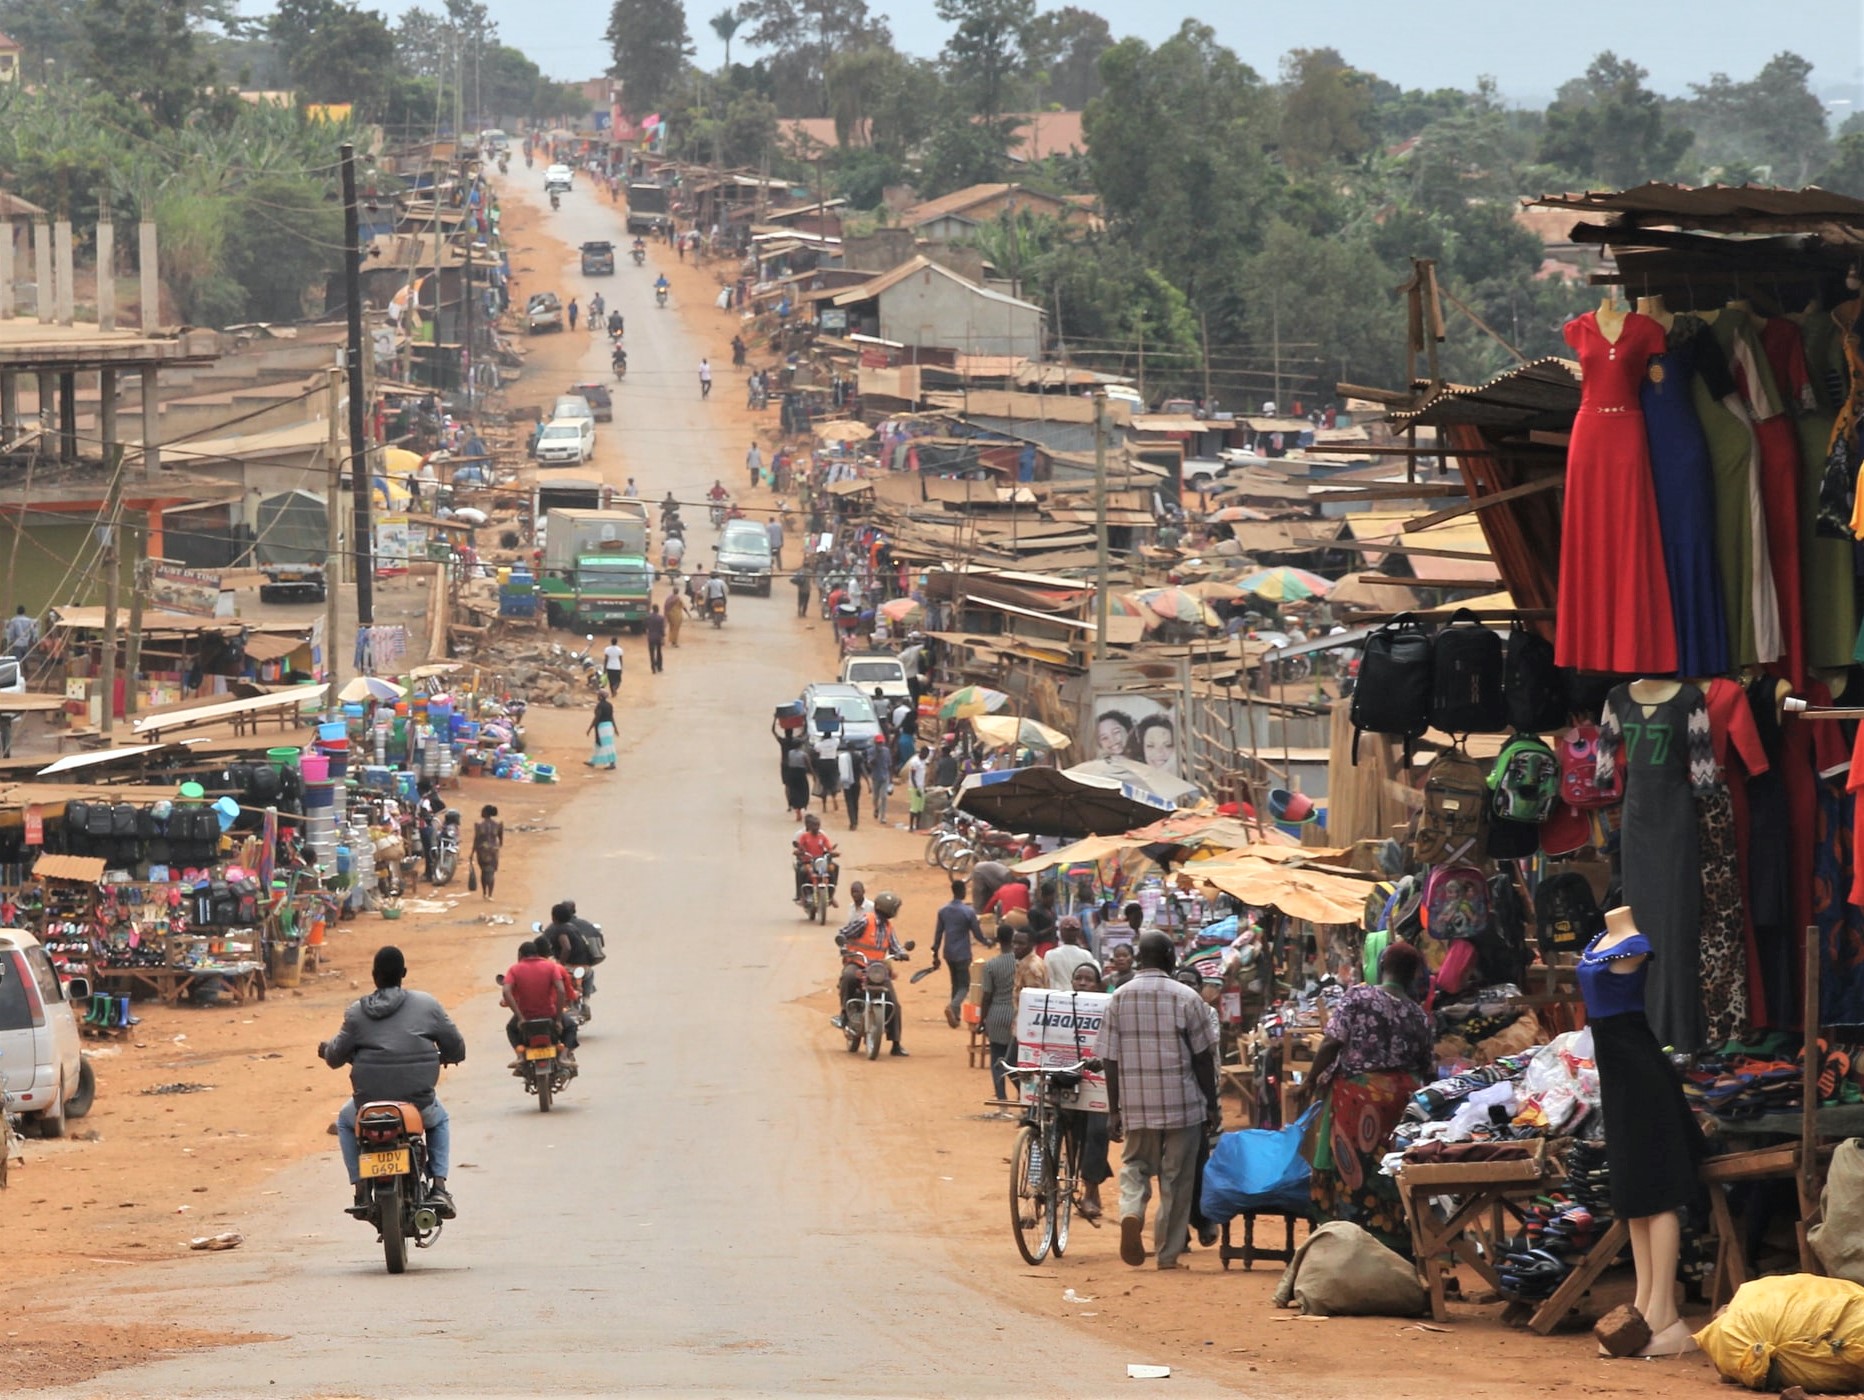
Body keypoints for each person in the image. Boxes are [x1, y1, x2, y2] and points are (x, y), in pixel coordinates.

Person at [1299, 942, 1434, 1255]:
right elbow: (1427, 1070)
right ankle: (1394, 1244)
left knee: (1354, 1173)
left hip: (1358, 1101)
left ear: (1381, 965)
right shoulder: (1418, 1014)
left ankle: (1352, 1244)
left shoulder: (1359, 996)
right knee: (1389, 1171)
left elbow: (1332, 1042)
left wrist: (1310, 1081)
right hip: (1403, 1102)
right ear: (1413, 975)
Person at [1099, 931, 1221, 1271]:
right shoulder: (1187, 998)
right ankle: (1167, 1255)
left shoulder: (1118, 997)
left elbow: (1109, 1058)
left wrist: (1113, 1110)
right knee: (1176, 1179)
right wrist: (1210, 1104)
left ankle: (1132, 1213)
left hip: (1136, 1105)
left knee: (1135, 1167)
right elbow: (1202, 1057)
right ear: (1169, 956)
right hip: (1182, 1106)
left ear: (1140, 957)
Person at [320, 946, 465, 1219]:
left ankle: (360, 1185)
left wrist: (325, 1050)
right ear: (404, 974)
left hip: (368, 1107)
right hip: (418, 1103)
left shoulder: (355, 1013)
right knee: (440, 1119)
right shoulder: (427, 1005)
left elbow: (335, 1056)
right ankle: (439, 1187)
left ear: (374, 976)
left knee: (344, 1120)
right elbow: (457, 1047)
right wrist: (446, 1056)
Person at [1065, 961, 1114, 1220]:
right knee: (1073, 1132)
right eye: (1078, 978)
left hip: (1101, 1081)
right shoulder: (1061, 1005)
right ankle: (1083, 1184)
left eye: (1088, 979)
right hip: (1068, 1078)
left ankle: (1089, 1189)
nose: (1082, 983)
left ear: (1099, 985)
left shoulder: (1111, 1010)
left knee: (1097, 1132)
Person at [834, 890, 907, 1055]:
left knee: (894, 1003)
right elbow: (844, 933)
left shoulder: (888, 927)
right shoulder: (866, 921)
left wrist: (902, 953)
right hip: (859, 964)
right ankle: (844, 1015)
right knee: (848, 977)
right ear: (888, 909)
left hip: (877, 970)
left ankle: (896, 1044)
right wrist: (844, 946)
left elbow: (895, 946)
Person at [501, 940, 577, 1067]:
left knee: (511, 1028)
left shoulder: (514, 969)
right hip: (549, 1014)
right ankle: (563, 1057)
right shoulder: (551, 967)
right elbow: (561, 990)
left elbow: (506, 991)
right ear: (537, 954)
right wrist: (558, 1019)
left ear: (520, 955)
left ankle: (520, 1057)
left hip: (526, 1016)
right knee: (571, 1027)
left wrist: (520, 1018)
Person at [928, 878, 986, 1029]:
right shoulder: (968, 911)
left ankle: (955, 1017)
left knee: (955, 983)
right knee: (965, 985)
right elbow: (977, 933)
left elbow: (938, 934)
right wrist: (987, 942)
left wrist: (935, 954)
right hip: (963, 953)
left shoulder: (943, 910)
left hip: (948, 953)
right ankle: (953, 1006)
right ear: (962, 892)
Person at [977, 922, 1020, 1106]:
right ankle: (1022, 1090)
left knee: (996, 1056)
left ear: (997, 940)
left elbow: (986, 995)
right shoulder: (1019, 963)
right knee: (1014, 1058)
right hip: (1015, 1013)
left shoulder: (991, 965)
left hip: (996, 1013)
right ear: (1013, 939)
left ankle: (1001, 1097)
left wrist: (982, 1019)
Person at [792, 811, 839, 906]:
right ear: (809, 826)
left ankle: (831, 895)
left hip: (820, 863)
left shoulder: (822, 837)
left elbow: (829, 848)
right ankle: (802, 896)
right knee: (801, 871)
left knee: (834, 868)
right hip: (808, 862)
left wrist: (833, 853)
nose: (816, 827)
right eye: (814, 825)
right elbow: (800, 848)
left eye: (818, 825)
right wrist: (799, 852)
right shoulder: (804, 836)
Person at [1044, 916, 1099, 990]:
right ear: (1079, 933)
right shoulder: (1086, 955)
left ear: (1060, 932)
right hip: (1080, 994)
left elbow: (1049, 980)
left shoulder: (1050, 955)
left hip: (1058, 996)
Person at [777, 723, 813, 821]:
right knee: (804, 790)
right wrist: (813, 774)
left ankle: (793, 807)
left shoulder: (789, 752)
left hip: (791, 772)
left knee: (793, 790)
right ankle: (802, 807)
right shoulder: (803, 754)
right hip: (801, 773)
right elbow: (808, 765)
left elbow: (788, 763)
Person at [415, 779, 447, 883]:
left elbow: (427, 814)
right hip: (429, 827)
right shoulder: (429, 797)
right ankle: (430, 872)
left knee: (429, 851)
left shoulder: (425, 801)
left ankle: (429, 874)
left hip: (426, 828)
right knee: (429, 851)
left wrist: (421, 816)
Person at [470, 803, 502, 900]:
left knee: (484, 872)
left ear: (485, 813)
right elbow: (500, 840)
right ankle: (490, 894)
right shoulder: (498, 825)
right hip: (493, 851)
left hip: (482, 851)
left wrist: (472, 853)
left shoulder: (479, 825)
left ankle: (484, 893)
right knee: (491, 873)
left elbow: (476, 840)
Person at [1011, 919, 1046, 1001]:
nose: (1016, 947)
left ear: (1032, 944)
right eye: (1014, 942)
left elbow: (1033, 1000)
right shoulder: (1026, 962)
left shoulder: (1030, 968)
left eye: (1021, 943)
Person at [838, 738, 864, 830]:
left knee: (849, 803)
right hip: (857, 783)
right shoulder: (858, 757)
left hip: (847, 784)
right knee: (855, 802)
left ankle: (852, 822)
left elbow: (840, 771)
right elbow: (863, 770)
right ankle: (855, 821)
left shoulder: (843, 758)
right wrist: (868, 783)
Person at [587, 693, 617, 770]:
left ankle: (611, 763)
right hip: (609, 726)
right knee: (604, 744)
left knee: (604, 744)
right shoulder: (609, 705)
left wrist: (590, 728)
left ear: (600, 697)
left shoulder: (600, 706)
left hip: (602, 727)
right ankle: (593, 761)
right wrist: (615, 728)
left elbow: (597, 717)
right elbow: (612, 717)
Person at [869, 731, 893, 825]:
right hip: (876, 777)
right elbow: (870, 763)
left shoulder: (886, 751)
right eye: (878, 743)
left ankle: (883, 816)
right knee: (875, 797)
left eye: (881, 743)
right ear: (875, 743)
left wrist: (891, 779)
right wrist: (876, 755)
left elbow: (890, 765)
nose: (880, 744)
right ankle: (876, 808)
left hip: (885, 776)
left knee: (884, 797)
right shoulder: (871, 751)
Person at [903, 746, 928, 831]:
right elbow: (912, 776)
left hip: (921, 787)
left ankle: (917, 825)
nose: (926, 756)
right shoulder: (915, 762)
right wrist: (916, 788)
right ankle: (911, 826)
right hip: (915, 787)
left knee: (920, 807)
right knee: (914, 807)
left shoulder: (924, 761)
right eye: (926, 754)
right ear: (922, 752)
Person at [644, 604, 666, 674]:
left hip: (651, 637)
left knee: (652, 653)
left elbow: (645, 626)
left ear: (652, 609)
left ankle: (653, 668)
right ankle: (659, 667)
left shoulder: (648, 617)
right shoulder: (661, 618)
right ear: (658, 610)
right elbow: (662, 629)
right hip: (658, 637)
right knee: (659, 652)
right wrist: (663, 636)